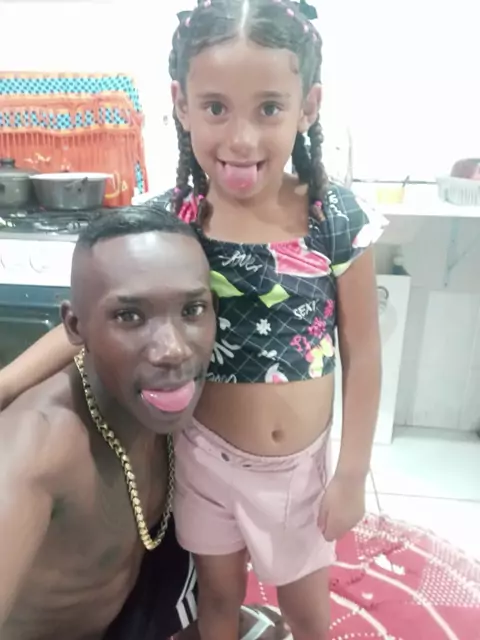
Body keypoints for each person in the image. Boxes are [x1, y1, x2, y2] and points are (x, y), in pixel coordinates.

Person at [0, 1, 387, 639]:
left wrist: (350, 474)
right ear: (181, 105)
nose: (241, 139)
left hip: (297, 471)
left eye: (269, 108)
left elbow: (363, 352)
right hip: (203, 460)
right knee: (217, 601)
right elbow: (90, 324)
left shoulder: (335, 218)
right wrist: (8, 383)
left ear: (308, 106)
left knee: (308, 614)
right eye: (216, 108)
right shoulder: (173, 220)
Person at [0, 206, 217, 640]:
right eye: (130, 316)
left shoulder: (177, 388)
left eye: (192, 309)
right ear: (75, 326)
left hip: (130, 608)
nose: (173, 349)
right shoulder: (36, 450)